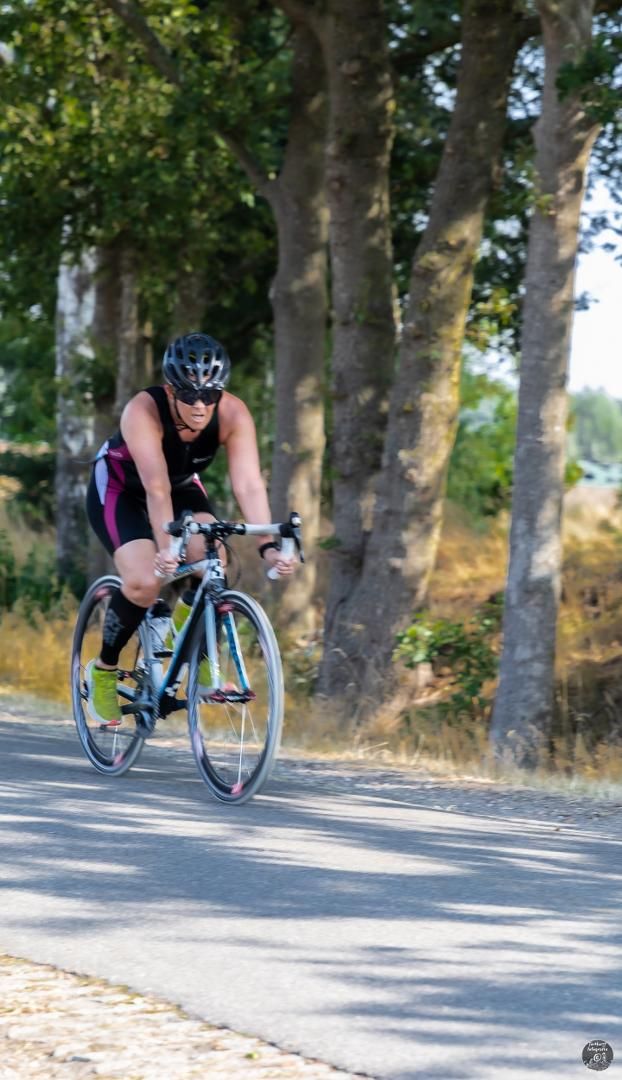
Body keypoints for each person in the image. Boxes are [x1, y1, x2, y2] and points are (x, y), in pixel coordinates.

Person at [85, 331, 295, 726]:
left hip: (180, 487)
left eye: (210, 395)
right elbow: (155, 488)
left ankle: (190, 640)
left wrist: (267, 545)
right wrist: (167, 547)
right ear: (170, 389)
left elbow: (249, 484)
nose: (200, 406)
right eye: (189, 394)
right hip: (120, 488)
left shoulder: (233, 414)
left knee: (214, 556)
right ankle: (103, 670)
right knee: (144, 581)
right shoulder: (142, 411)